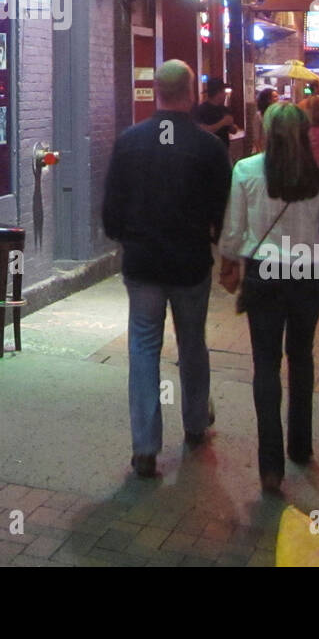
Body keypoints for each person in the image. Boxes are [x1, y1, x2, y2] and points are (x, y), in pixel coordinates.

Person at [217, 102, 319, 492]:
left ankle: (270, 467)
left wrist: (229, 263)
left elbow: (234, 229)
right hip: (307, 273)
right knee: (302, 357)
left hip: (265, 274)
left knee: (266, 364)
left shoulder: (246, 170)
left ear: (267, 132)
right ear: (306, 133)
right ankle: (301, 445)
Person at [102, 60, 231, 478]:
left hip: (142, 262)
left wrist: (126, 236)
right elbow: (222, 210)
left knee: (142, 348)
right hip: (190, 262)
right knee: (192, 343)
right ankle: (194, 424)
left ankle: (145, 447)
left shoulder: (129, 141)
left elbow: (111, 209)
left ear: (156, 90)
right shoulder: (209, 148)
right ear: (191, 92)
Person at [193, 77, 243, 159]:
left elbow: (233, 131)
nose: (225, 94)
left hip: (224, 151)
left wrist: (232, 126)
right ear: (218, 93)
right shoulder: (202, 109)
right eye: (223, 92)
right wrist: (222, 123)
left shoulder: (225, 109)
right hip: (207, 153)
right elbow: (201, 131)